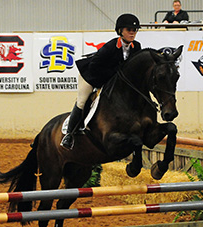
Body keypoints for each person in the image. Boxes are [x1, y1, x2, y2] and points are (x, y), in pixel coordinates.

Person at [61, 13, 142, 149]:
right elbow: (95, 67)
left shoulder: (136, 47)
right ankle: (69, 135)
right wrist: (114, 74)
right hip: (92, 76)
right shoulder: (110, 47)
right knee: (82, 101)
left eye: (134, 30)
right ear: (120, 31)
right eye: (129, 30)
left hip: (112, 79)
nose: (132, 33)